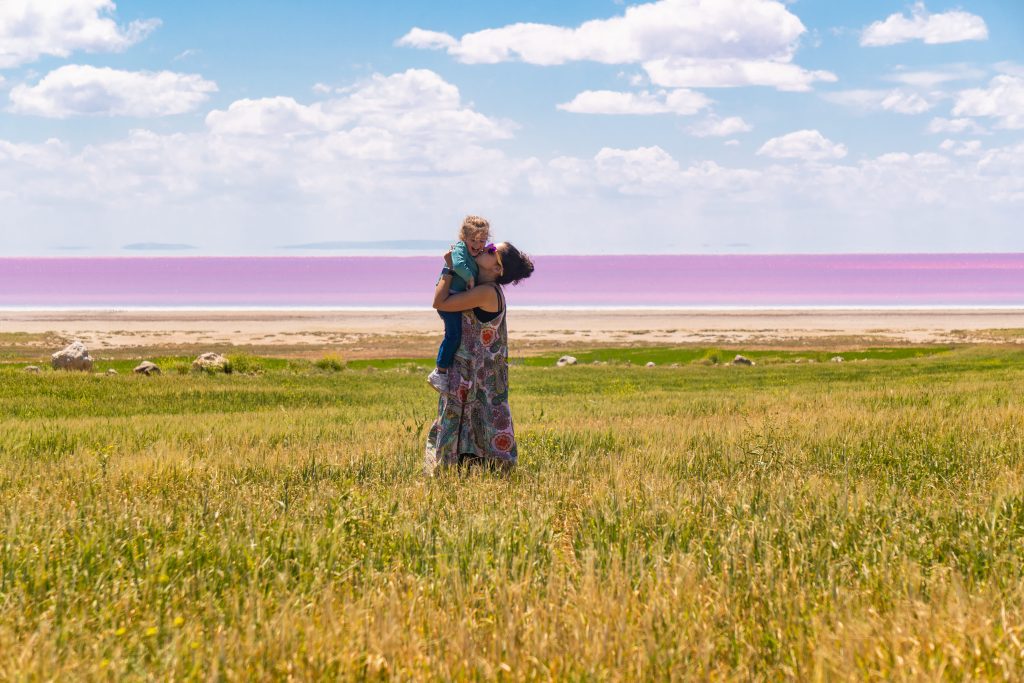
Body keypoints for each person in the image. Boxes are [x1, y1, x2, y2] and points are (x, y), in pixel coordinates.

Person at [425, 241, 535, 474]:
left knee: (468, 419)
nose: (487, 247)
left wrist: (448, 268)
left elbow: (439, 302)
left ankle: (457, 471)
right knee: (478, 421)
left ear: (497, 269)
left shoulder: (486, 292)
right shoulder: (482, 289)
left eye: (493, 250)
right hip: (477, 372)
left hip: (475, 373)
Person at [427, 216, 491, 392]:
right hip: (449, 296)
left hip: (458, 297)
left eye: (482, 241)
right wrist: (470, 277)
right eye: (473, 241)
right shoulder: (460, 249)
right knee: (453, 335)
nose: (478, 245)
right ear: (464, 238)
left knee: (459, 335)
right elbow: (458, 264)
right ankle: (439, 372)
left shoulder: (477, 252)